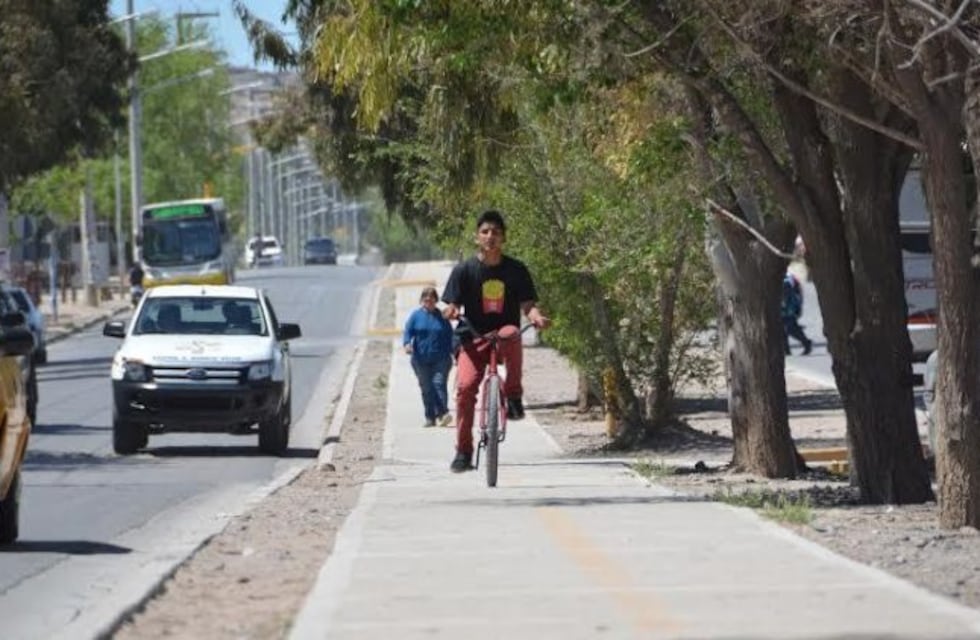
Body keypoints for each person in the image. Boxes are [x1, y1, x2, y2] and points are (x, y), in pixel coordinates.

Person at [441, 209, 550, 473]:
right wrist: (451, 311)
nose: (491, 237)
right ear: (477, 237)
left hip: (503, 334)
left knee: (512, 333)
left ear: (504, 238)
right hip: (473, 337)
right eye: (485, 232)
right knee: (465, 389)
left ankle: (513, 396)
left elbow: (528, 305)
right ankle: (463, 452)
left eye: (496, 233)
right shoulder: (464, 270)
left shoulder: (516, 270)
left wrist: (536, 317)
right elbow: (452, 303)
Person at [402, 287, 455, 428]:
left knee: (439, 385)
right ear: (421, 301)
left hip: (441, 358)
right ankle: (430, 417)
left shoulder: (442, 316)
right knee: (426, 388)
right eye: (426, 299)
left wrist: (456, 351)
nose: (429, 302)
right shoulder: (415, 316)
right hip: (420, 359)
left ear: (436, 301)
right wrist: (407, 344)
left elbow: (451, 335)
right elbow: (408, 332)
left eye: (432, 299)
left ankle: (442, 414)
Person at [782, 271, 812, 355]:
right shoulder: (788, 279)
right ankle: (786, 350)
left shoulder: (786, 280)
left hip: (788, 311)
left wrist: (786, 306)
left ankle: (806, 343)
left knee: (791, 329)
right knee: (783, 331)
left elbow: (788, 297)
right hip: (787, 310)